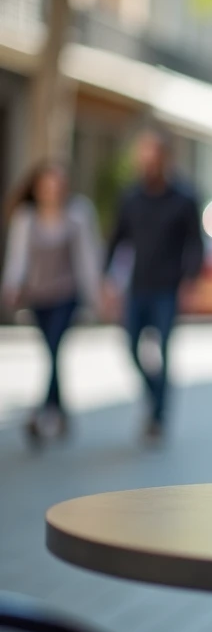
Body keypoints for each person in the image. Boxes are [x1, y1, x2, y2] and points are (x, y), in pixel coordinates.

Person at [104, 129, 204, 442]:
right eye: (142, 155)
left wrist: (190, 281)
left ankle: (158, 416)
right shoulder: (131, 197)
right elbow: (116, 239)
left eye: (153, 155)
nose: (147, 161)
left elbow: (196, 245)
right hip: (138, 287)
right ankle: (155, 395)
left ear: (164, 159)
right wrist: (106, 278)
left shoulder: (184, 198)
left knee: (162, 350)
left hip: (168, 289)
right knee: (131, 346)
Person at [3, 162, 103, 443]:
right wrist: (12, 286)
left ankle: (42, 412)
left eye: (57, 185)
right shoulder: (26, 218)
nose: (52, 191)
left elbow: (87, 259)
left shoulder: (78, 214)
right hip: (38, 297)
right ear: (37, 188)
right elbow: (18, 257)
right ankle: (60, 411)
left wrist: (96, 297)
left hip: (66, 295)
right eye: (47, 185)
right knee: (51, 353)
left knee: (55, 347)